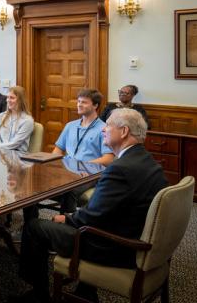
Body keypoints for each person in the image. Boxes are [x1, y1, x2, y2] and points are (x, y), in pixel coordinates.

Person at [17, 109, 168, 303]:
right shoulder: (149, 161)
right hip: (134, 235)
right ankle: (85, 291)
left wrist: (67, 218)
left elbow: (90, 219)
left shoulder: (119, 169)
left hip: (114, 247)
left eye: (108, 125)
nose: (103, 129)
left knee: (34, 227)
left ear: (123, 132)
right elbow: (108, 210)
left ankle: (39, 295)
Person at [51, 88, 114, 213]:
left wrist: (83, 166)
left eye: (84, 102)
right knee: (36, 181)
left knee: (69, 190)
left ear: (95, 105)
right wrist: (53, 166)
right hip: (67, 170)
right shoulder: (71, 125)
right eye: (78, 101)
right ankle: (31, 220)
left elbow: (108, 159)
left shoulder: (104, 129)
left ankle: (67, 222)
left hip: (90, 173)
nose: (79, 104)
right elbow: (58, 149)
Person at [0, 86, 34, 152]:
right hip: (0, 153)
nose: (8, 100)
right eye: (7, 97)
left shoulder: (27, 121)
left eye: (12, 98)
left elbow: (14, 144)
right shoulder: (1, 116)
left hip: (18, 156)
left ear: (21, 100)